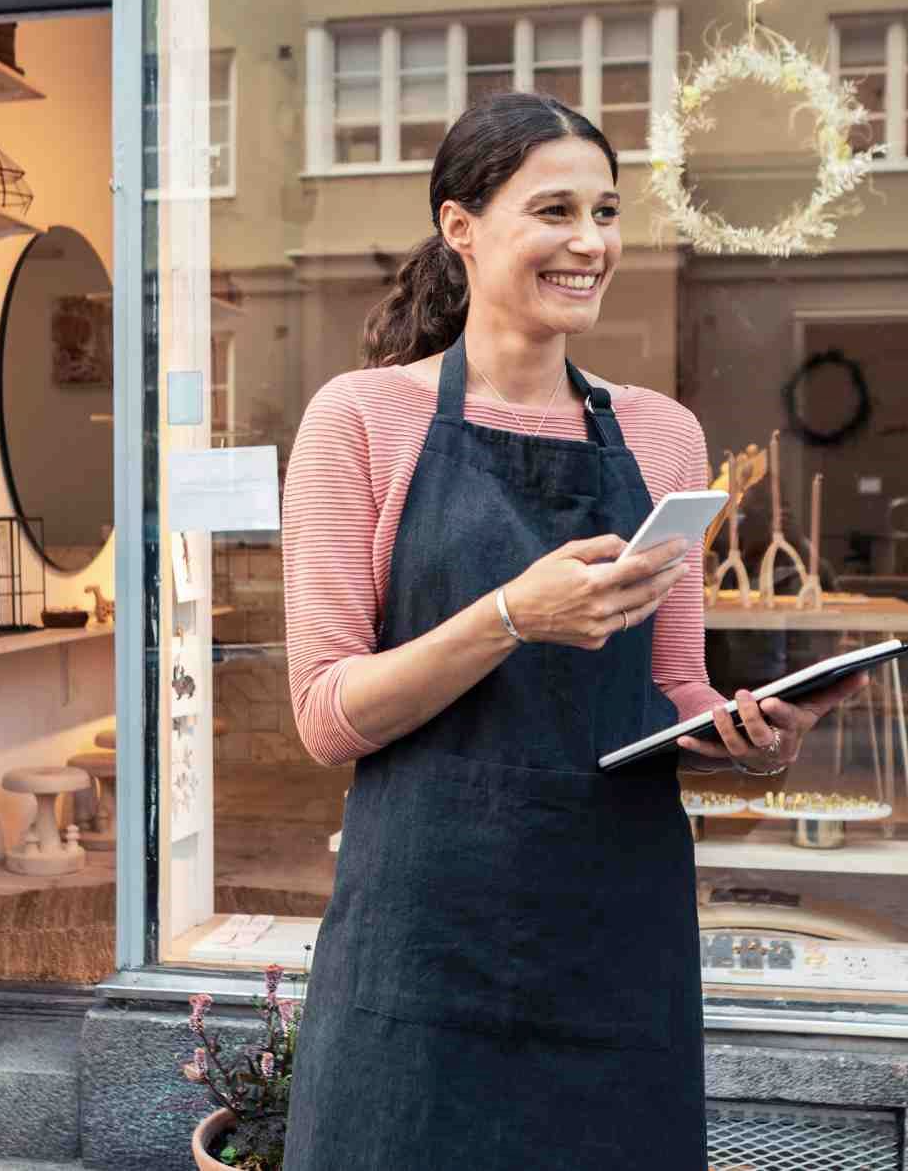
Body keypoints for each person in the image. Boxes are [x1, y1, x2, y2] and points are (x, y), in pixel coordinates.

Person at [280, 92, 865, 1170]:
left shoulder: (663, 434)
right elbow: (326, 717)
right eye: (553, 210)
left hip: (613, 928)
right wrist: (511, 616)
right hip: (423, 934)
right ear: (461, 227)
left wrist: (748, 735)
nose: (590, 243)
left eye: (605, 211)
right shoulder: (361, 417)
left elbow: (674, 686)